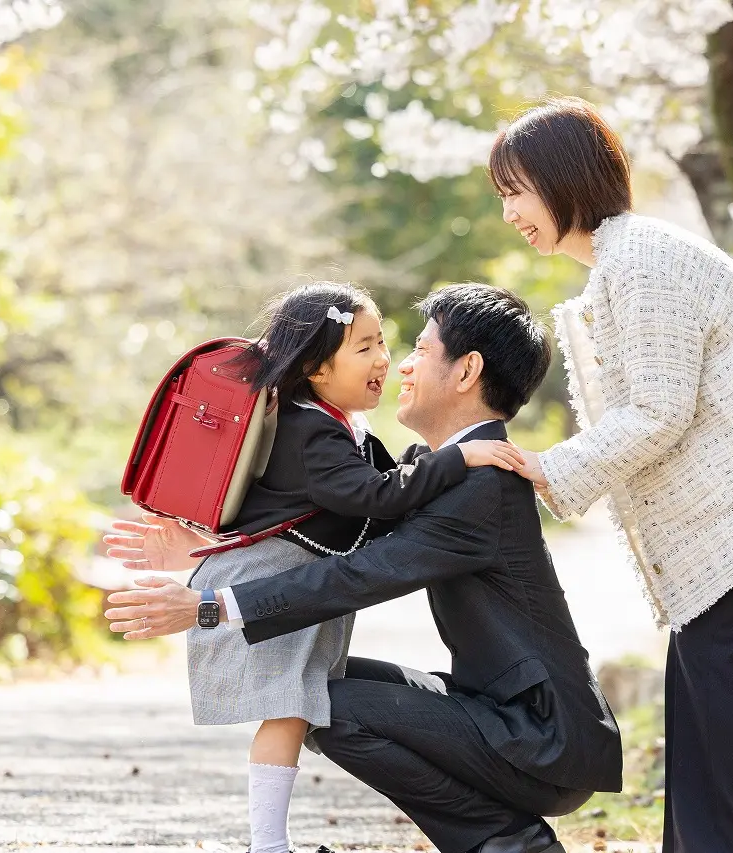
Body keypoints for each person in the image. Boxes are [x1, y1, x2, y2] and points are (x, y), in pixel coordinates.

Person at [489, 97, 733, 853]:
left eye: (516, 190)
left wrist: (553, 467)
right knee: (701, 655)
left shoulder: (641, 258)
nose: (509, 210)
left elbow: (657, 410)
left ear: (563, 178)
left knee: (718, 654)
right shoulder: (620, 262)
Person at [105, 283, 624, 853]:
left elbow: (358, 575)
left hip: (542, 738)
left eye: (420, 351)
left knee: (328, 705)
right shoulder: (446, 470)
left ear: (467, 370)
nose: (398, 364)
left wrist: (209, 608)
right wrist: (206, 547)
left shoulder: (484, 484)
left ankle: (507, 842)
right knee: (323, 683)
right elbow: (334, 532)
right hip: (509, 717)